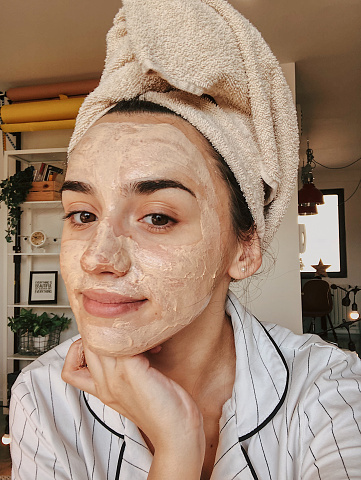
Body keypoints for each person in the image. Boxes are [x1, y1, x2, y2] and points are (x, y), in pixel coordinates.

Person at [10, 1, 361, 479]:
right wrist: (177, 448)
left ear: (244, 248)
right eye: (83, 214)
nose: (96, 256)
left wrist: (178, 441)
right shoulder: (45, 395)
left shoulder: (331, 390)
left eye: (156, 217)